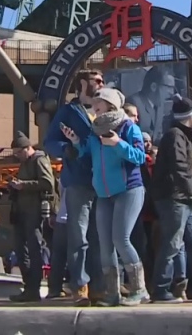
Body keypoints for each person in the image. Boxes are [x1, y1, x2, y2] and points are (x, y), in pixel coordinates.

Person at [62, 87, 147, 307]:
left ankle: (140, 289)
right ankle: (112, 293)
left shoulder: (129, 127)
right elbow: (88, 154)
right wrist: (75, 143)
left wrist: (118, 143)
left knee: (121, 239)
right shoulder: (95, 131)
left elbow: (139, 157)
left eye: (98, 103)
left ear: (110, 105)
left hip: (129, 189)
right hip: (103, 193)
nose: (94, 106)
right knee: (104, 245)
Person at [43, 69, 105, 305]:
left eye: (102, 81)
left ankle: (100, 286)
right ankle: (80, 285)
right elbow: (50, 141)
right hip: (78, 181)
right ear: (82, 84)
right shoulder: (68, 112)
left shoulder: (106, 109)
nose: (100, 84)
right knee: (78, 235)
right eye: (96, 81)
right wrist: (66, 149)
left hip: (102, 181)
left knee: (100, 236)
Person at [149, 97, 192, 303]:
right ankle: (160, 289)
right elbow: (179, 168)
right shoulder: (175, 136)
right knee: (172, 243)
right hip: (174, 198)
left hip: (181, 197)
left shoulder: (179, 135)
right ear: (190, 115)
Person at [6, 132, 55, 302]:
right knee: (20, 250)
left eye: (19, 153)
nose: (17, 157)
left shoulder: (39, 160)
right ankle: (28, 287)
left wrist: (23, 185)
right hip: (21, 212)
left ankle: (33, 288)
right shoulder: (25, 163)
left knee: (34, 250)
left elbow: (48, 183)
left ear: (28, 148)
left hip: (34, 212)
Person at [127, 66, 177, 141]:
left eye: (173, 88)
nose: (171, 92)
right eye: (168, 87)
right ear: (153, 86)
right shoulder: (133, 103)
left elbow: (158, 135)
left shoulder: (159, 106)